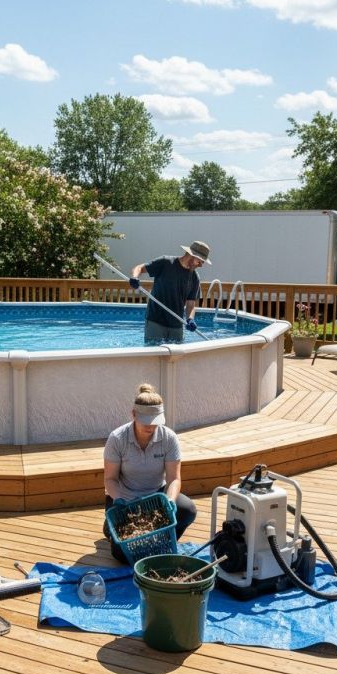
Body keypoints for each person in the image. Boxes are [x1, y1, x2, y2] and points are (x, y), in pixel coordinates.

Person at [102, 383, 196, 562]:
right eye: (146, 421)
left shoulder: (168, 438)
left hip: (156, 497)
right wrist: (120, 500)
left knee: (188, 510)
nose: (151, 426)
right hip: (125, 501)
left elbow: (174, 478)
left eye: (155, 421)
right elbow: (110, 479)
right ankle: (110, 526)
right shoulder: (117, 438)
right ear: (134, 414)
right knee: (120, 556)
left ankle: (161, 541)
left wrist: (169, 500)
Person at [129, 240, 212, 343]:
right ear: (191, 255)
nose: (201, 265)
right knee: (153, 356)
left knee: (176, 358)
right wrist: (134, 277)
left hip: (176, 325)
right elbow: (139, 268)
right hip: (155, 321)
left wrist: (190, 318)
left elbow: (191, 303)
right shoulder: (166, 262)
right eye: (200, 261)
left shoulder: (195, 277)